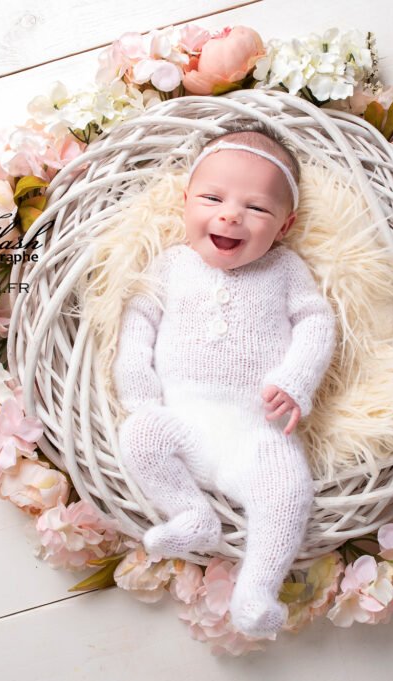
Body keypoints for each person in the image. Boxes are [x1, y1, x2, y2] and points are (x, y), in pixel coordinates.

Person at [113, 124, 337, 638]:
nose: (231, 214)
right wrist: (139, 392)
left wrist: (295, 381)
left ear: (285, 224)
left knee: (288, 490)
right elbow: (137, 319)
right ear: (186, 201)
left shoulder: (285, 269)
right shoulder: (172, 265)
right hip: (181, 421)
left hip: (254, 433)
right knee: (139, 436)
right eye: (212, 198)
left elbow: (317, 322)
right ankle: (191, 513)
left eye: (257, 208)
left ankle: (257, 590)